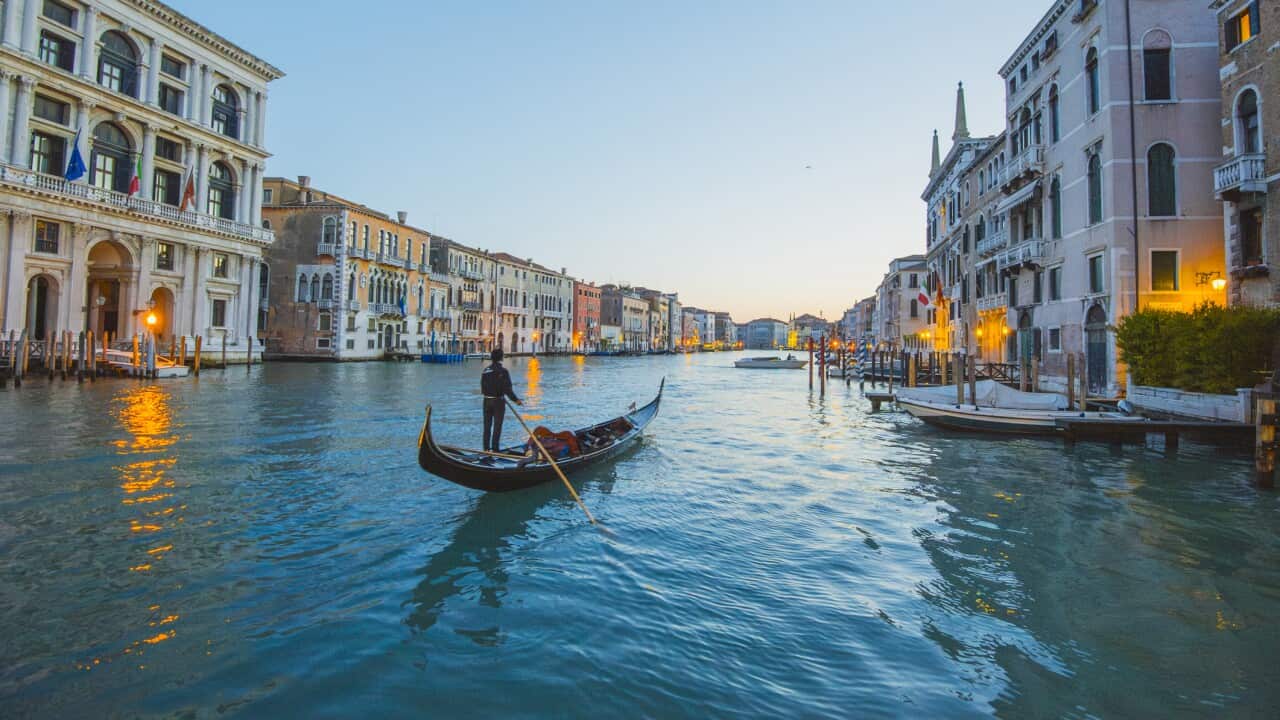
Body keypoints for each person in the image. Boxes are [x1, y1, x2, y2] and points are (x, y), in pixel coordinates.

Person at [481, 348, 522, 452]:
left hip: (486, 401)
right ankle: (495, 449)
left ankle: (486, 449)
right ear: (501, 358)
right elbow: (507, 389)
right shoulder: (503, 371)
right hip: (498, 402)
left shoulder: (485, 371)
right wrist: (516, 400)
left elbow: (483, 387)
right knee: (497, 426)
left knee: (487, 426)